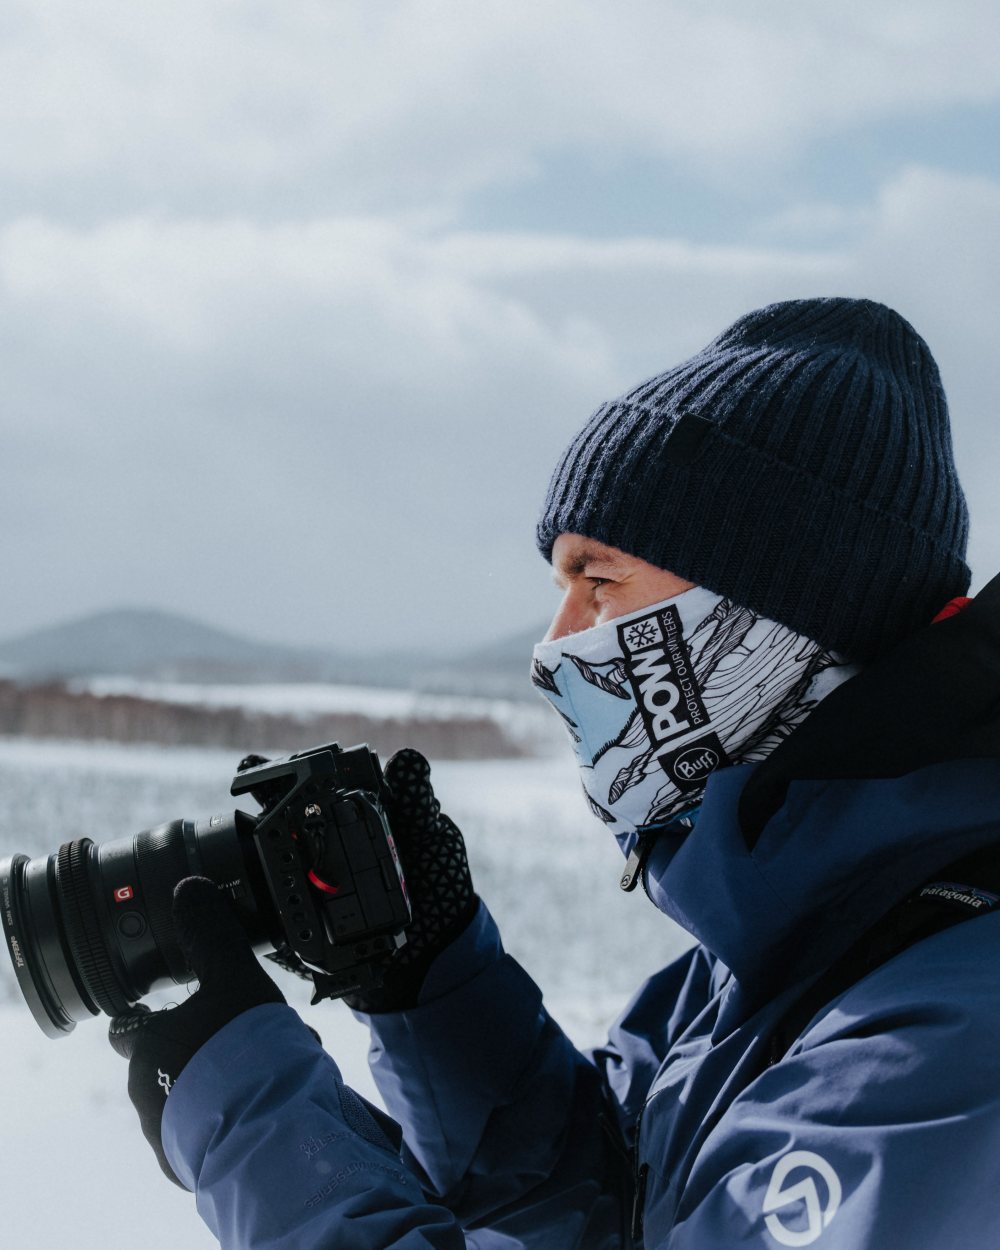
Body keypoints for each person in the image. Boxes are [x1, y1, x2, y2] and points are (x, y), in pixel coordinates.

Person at [111, 296, 1000, 1248]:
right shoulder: (779, 951)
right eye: (561, 587)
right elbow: (612, 1208)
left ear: (784, 612)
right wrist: (435, 986)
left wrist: (255, 1129)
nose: (555, 647)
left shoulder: (947, 1042)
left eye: (600, 581)